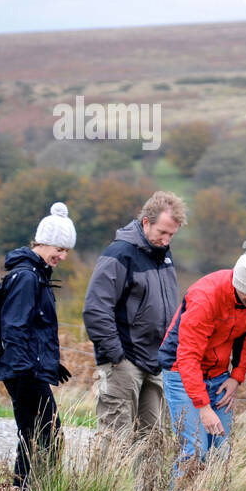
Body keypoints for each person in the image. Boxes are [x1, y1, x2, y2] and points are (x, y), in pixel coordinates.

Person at [82, 191, 185, 447]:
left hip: (156, 361)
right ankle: (103, 489)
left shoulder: (164, 257)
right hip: (124, 361)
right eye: (162, 232)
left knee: (153, 441)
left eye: (171, 234)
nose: (166, 239)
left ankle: (146, 490)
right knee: (115, 439)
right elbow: (96, 308)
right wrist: (116, 355)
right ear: (146, 222)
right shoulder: (119, 254)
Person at [159, 252, 246, 480]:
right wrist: (203, 407)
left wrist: (236, 377)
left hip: (219, 373)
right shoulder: (205, 299)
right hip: (181, 371)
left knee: (222, 451)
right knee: (196, 450)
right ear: (238, 285)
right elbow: (188, 356)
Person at [0, 202, 75, 491]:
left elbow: (35, 328)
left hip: (29, 368)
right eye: (59, 248)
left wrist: (52, 362)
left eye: (66, 251)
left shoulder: (36, 275)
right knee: (47, 435)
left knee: (36, 434)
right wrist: (29, 368)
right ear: (42, 242)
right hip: (23, 370)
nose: (62, 256)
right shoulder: (27, 277)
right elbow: (15, 326)